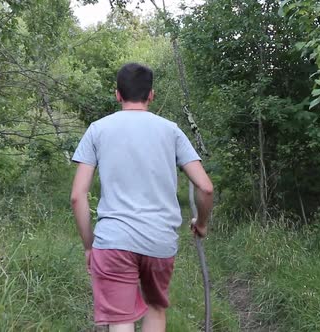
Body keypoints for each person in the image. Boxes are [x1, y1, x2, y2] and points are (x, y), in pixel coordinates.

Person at [70, 63, 214, 332]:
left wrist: (89, 245)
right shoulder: (171, 131)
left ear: (117, 95)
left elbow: (78, 196)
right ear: (151, 95)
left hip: (113, 240)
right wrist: (202, 223)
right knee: (155, 309)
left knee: (120, 320)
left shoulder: (97, 130)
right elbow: (205, 187)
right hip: (159, 240)